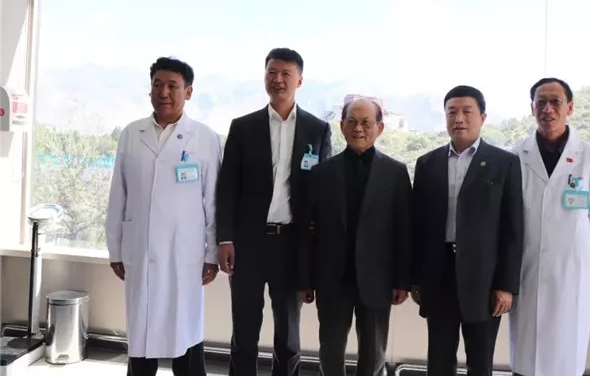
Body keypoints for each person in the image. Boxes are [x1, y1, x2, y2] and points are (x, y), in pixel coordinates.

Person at [215, 47, 333, 376]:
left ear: (299, 81)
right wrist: (225, 238)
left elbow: (323, 195)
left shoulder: (317, 129)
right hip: (248, 244)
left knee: (289, 336)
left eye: (285, 74)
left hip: (292, 245)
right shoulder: (243, 127)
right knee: (244, 330)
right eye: (271, 72)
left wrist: (315, 254)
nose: (277, 79)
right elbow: (227, 188)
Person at [105, 57, 221, 376]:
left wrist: (211, 254)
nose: (164, 92)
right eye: (157, 85)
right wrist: (115, 250)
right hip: (140, 251)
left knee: (186, 335)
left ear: (189, 92)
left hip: (184, 256)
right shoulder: (132, 134)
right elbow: (118, 196)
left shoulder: (205, 138)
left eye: (172, 86)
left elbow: (213, 202)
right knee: (141, 337)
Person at [411, 85, 524, 376]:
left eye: (466, 111)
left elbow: (512, 229)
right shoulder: (427, 163)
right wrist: (416, 278)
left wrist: (506, 285)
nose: (458, 118)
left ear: (482, 117)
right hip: (438, 275)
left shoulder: (505, 163)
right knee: (439, 359)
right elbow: (417, 226)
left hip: (484, 278)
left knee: (480, 360)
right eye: (452, 112)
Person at [298, 98, 412, 376]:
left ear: (380, 128)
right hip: (331, 278)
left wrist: (402, 281)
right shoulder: (321, 173)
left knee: (373, 353)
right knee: (330, 349)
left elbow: (404, 231)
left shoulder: (395, 172)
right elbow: (306, 232)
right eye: (352, 121)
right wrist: (305, 279)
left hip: (378, 279)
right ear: (341, 126)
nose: (358, 128)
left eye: (366, 122)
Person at [508, 78, 590, 376]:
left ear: (570, 108)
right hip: (527, 272)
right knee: (526, 359)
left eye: (555, 102)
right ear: (532, 109)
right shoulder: (515, 156)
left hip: (571, 276)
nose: (548, 109)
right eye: (540, 102)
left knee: (565, 356)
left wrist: (578, 262)